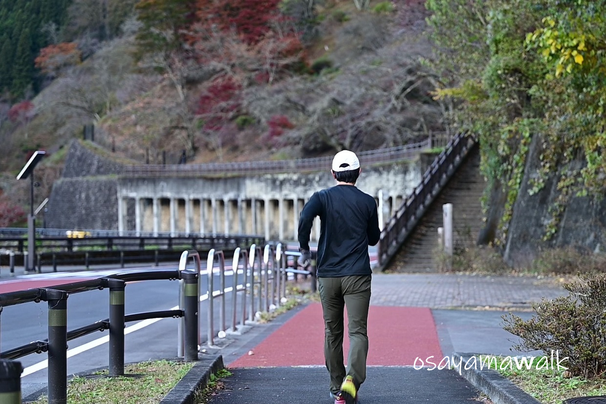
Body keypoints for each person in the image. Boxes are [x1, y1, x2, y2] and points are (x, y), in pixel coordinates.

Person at [297, 150, 380, 404]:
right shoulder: (367, 202)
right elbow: (374, 238)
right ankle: (351, 381)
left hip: (329, 275)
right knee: (358, 332)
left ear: (333, 174)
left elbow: (304, 218)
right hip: (357, 274)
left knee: (332, 332)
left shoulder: (322, 197)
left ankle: (336, 387)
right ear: (359, 173)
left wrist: (304, 246)